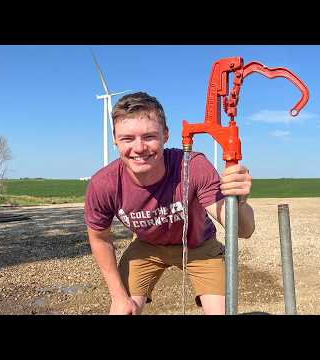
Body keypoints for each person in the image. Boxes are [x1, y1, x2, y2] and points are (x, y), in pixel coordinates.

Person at [84, 92, 255, 315]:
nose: (139, 148)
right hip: (146, 247)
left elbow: (244, 231)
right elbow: (99, 238)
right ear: (114, 139)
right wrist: (118, 297)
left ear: (165, 135)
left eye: (149, 137)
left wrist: (238, 201)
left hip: (199, 245)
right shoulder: (103, 184)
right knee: (121, 311)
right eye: (127, 138)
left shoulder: (192, 166)